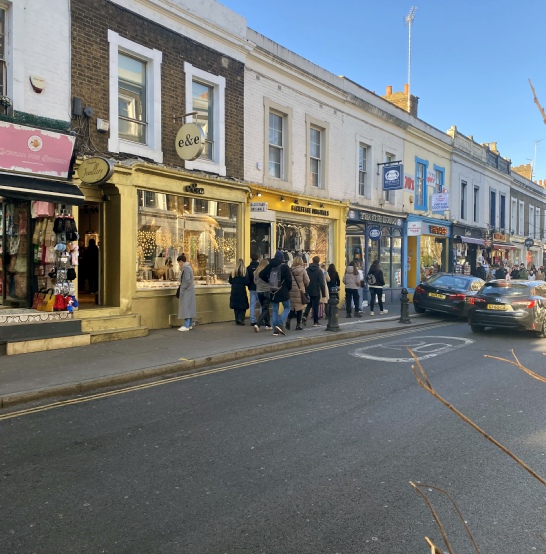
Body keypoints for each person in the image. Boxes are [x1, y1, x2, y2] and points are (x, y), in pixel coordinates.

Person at [258, 250, 292, 336]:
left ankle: (275, 330)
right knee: (287, 307)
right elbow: (289, 280)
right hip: (283, 290)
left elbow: (261, 274)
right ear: (282, 258)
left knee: (275, 310)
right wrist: (288, 288)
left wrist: (269, 281)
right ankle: (280, 324)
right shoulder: (285, 266)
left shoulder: (270, 265)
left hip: (273, 290)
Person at [286, 256, 310, 331]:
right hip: (300, 291)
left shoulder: (290, 270)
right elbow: (307, 281)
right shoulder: (303, 270)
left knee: (292, 308)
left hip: (291, 291)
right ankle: (298, 325)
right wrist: (304, 286)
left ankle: (288, 320)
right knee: (300, 309)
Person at [302, 255, 326, 326]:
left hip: (308, 290)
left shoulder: (307, 270)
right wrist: (323, 293)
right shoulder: (319, 271)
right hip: (316, 290)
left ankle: (305, 316)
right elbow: (322, 283)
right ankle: (315, 322)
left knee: (309, 304)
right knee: (315, 307)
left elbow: (304, 280)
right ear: (318, 262)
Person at [177, 253, 196, 331]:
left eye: (179, 262)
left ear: (181, 261)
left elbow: (187, 281)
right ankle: (189, 324)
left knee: (186, 307)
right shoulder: (188, 268)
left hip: (187, 291)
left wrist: (183, 288)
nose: (179, 264)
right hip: (188, 291)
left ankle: (186, 325)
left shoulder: (186, 269)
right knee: (189, 307)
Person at [253, 258, 272, 332]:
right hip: (266, 291)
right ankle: (257, 324)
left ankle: (268, 325)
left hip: (259, 291)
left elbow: (255, 282)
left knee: (265, 308)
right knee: (265, 308)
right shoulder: (267, 272)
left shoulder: (256, 272)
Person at [229, 259, 250, 325]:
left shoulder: (233, 272)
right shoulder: (244, 272)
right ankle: (240, 318)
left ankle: (237, 318)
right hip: (241, 290)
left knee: (236, 306)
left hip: (234, 290)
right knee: (243, 305)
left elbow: (230, 281)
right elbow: (247, 282)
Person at [246, 253, 260, 325]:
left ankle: (252, 320)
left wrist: (249, 285)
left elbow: (247, 279)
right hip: (260, 288)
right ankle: (261, 319)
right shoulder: (260, 267)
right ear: (258, 258)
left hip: (252, 288)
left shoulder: (248, 268)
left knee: (252, 304)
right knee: (261, 304)